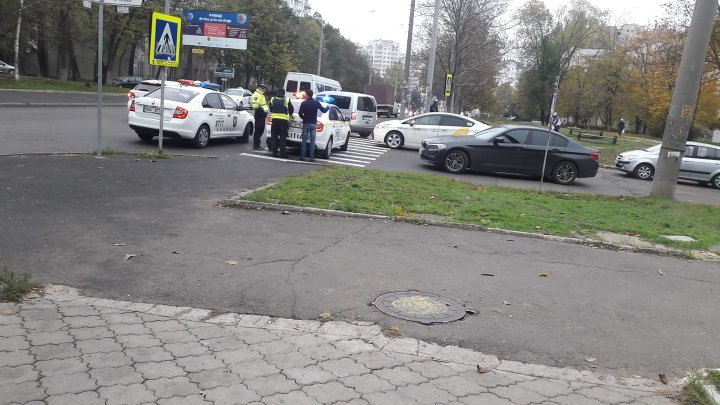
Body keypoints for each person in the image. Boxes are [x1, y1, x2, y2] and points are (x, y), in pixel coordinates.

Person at [298, 90, 329, 162]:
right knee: (312, 142)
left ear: (307, 95)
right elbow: (324, 110)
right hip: (313, 124)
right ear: (312, 95)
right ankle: (311, 158)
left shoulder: (304, 103)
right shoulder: (316, 102)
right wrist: (328, 107)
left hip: (305, 124)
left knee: (304, 141)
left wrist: (304, 118)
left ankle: (302, 157)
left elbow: (300, 113)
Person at [269, 88, 294, 158]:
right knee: (282, 137)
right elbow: (291, 109)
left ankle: (274, 153)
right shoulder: (287, 99)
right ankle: (282, 154)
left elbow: (271, 108)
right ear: (284, 93)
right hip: (283, 121)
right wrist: (289, 116)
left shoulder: (272, 99)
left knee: (274, 137)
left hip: (274, 120)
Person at [250, 84, 269, 151]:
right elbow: (255, 106)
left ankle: (257, 145)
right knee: (258, 131)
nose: (264, 89)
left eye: (264, 88)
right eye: (262, 88)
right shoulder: (257, 94)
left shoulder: (261, 94)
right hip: (259, 115)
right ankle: (256, 146)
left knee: (260, 130)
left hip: (262, 116)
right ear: (258, 88)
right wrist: (263, 112)